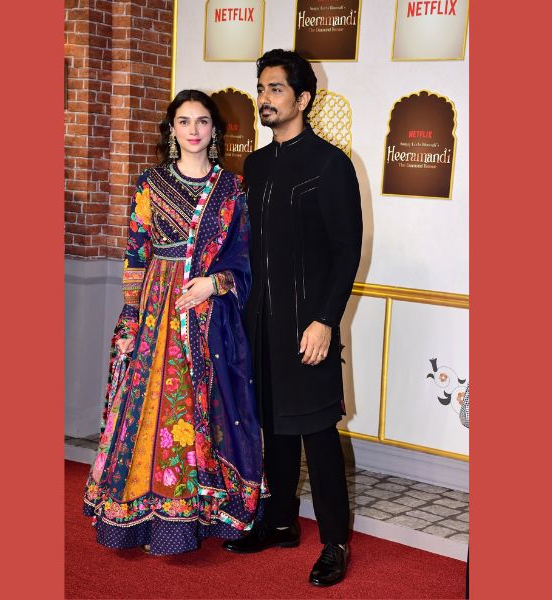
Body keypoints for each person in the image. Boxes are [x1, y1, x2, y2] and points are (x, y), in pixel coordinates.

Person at [83, 89, 266, 556]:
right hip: (156, 313)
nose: (193, 130)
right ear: (171, 130)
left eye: (202, 121)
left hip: (208, 318)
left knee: (199, 407)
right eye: (184, 121)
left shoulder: (231, 189)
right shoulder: (151, 183)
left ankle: (202, 513)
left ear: (214, 130)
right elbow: (136, 254)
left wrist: (215, 284)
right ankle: (146, 516)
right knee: (152, 410)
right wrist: (130, 317)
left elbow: (248, 257)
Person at [222, 49, 363, 587]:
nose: (264, 98)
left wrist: (325, 320)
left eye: (276, 88)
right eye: (261, 88)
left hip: (310, 326)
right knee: (273, 427)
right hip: (260, 323)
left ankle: (335, 543)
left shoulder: (331, 164)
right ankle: (280, 520)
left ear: (303, 99)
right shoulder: (256, 166)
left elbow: (346, 251)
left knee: (318, 435)